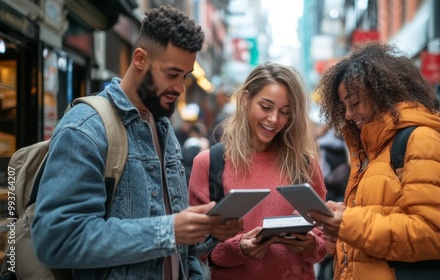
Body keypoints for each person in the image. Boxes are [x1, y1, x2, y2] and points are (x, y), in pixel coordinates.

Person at [31, 6, 242, 279]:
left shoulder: (163, 128)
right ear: (140, 58)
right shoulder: (86, 127)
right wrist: (169, 230)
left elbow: (178, 250)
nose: (180, 87)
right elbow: (56, 240)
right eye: (172, 73)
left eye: (185, 76)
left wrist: (206, 229)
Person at [310, 42, 440, 280]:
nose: (347, 114)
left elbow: (431, 235)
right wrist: (341, 227)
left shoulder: (422, 141)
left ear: (381, 95)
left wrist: (348, 223)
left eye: (354, 103)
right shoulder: (372, 149)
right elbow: (381, 221)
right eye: (344, 107)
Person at [189, 62, 328, 280]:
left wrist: (310, 243)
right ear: (245, 100)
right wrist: (239, 248)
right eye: (265, 107)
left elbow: (324, 236)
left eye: (285, 112)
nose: (274, 119)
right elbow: (196, 246)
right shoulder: (210, 163)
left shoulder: (305, 164)